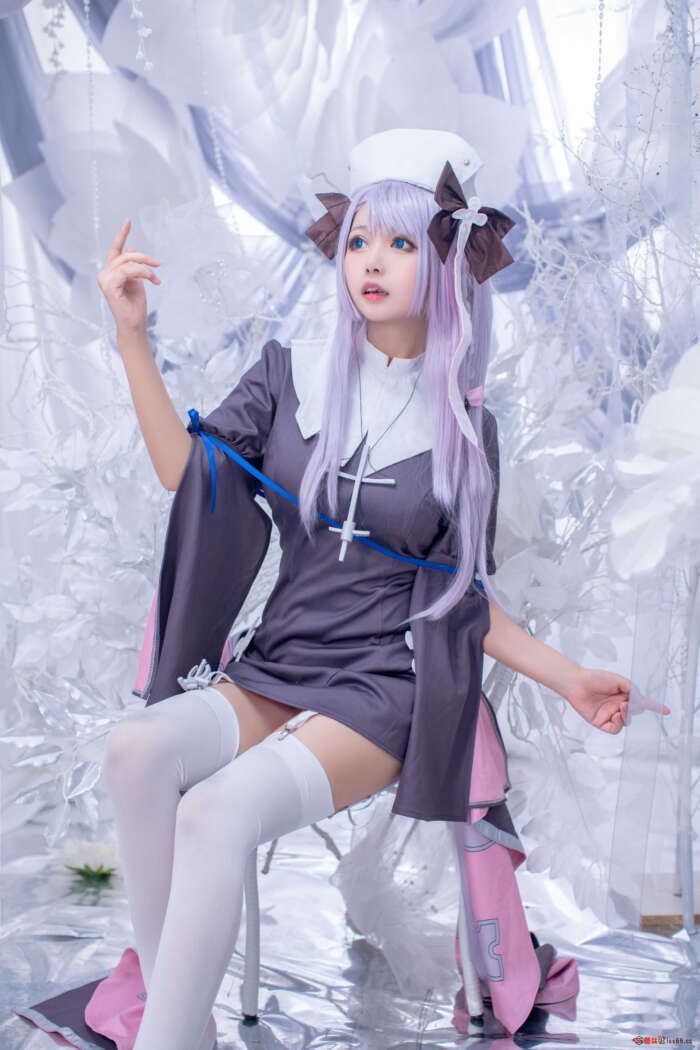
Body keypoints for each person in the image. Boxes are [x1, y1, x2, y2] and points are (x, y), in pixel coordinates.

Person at [15, 128, 668, 1049]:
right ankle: (177, 1024)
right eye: (359, 239)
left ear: (446, 262)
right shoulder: (291, 376)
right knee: (135, 751)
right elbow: (185, 476)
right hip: (280, 664)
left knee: (213, 811)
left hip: (384, 690)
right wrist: (133, 339)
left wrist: (568, 677)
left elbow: (462, 595)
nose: (372, 261)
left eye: (401, 242)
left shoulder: (467, 430)